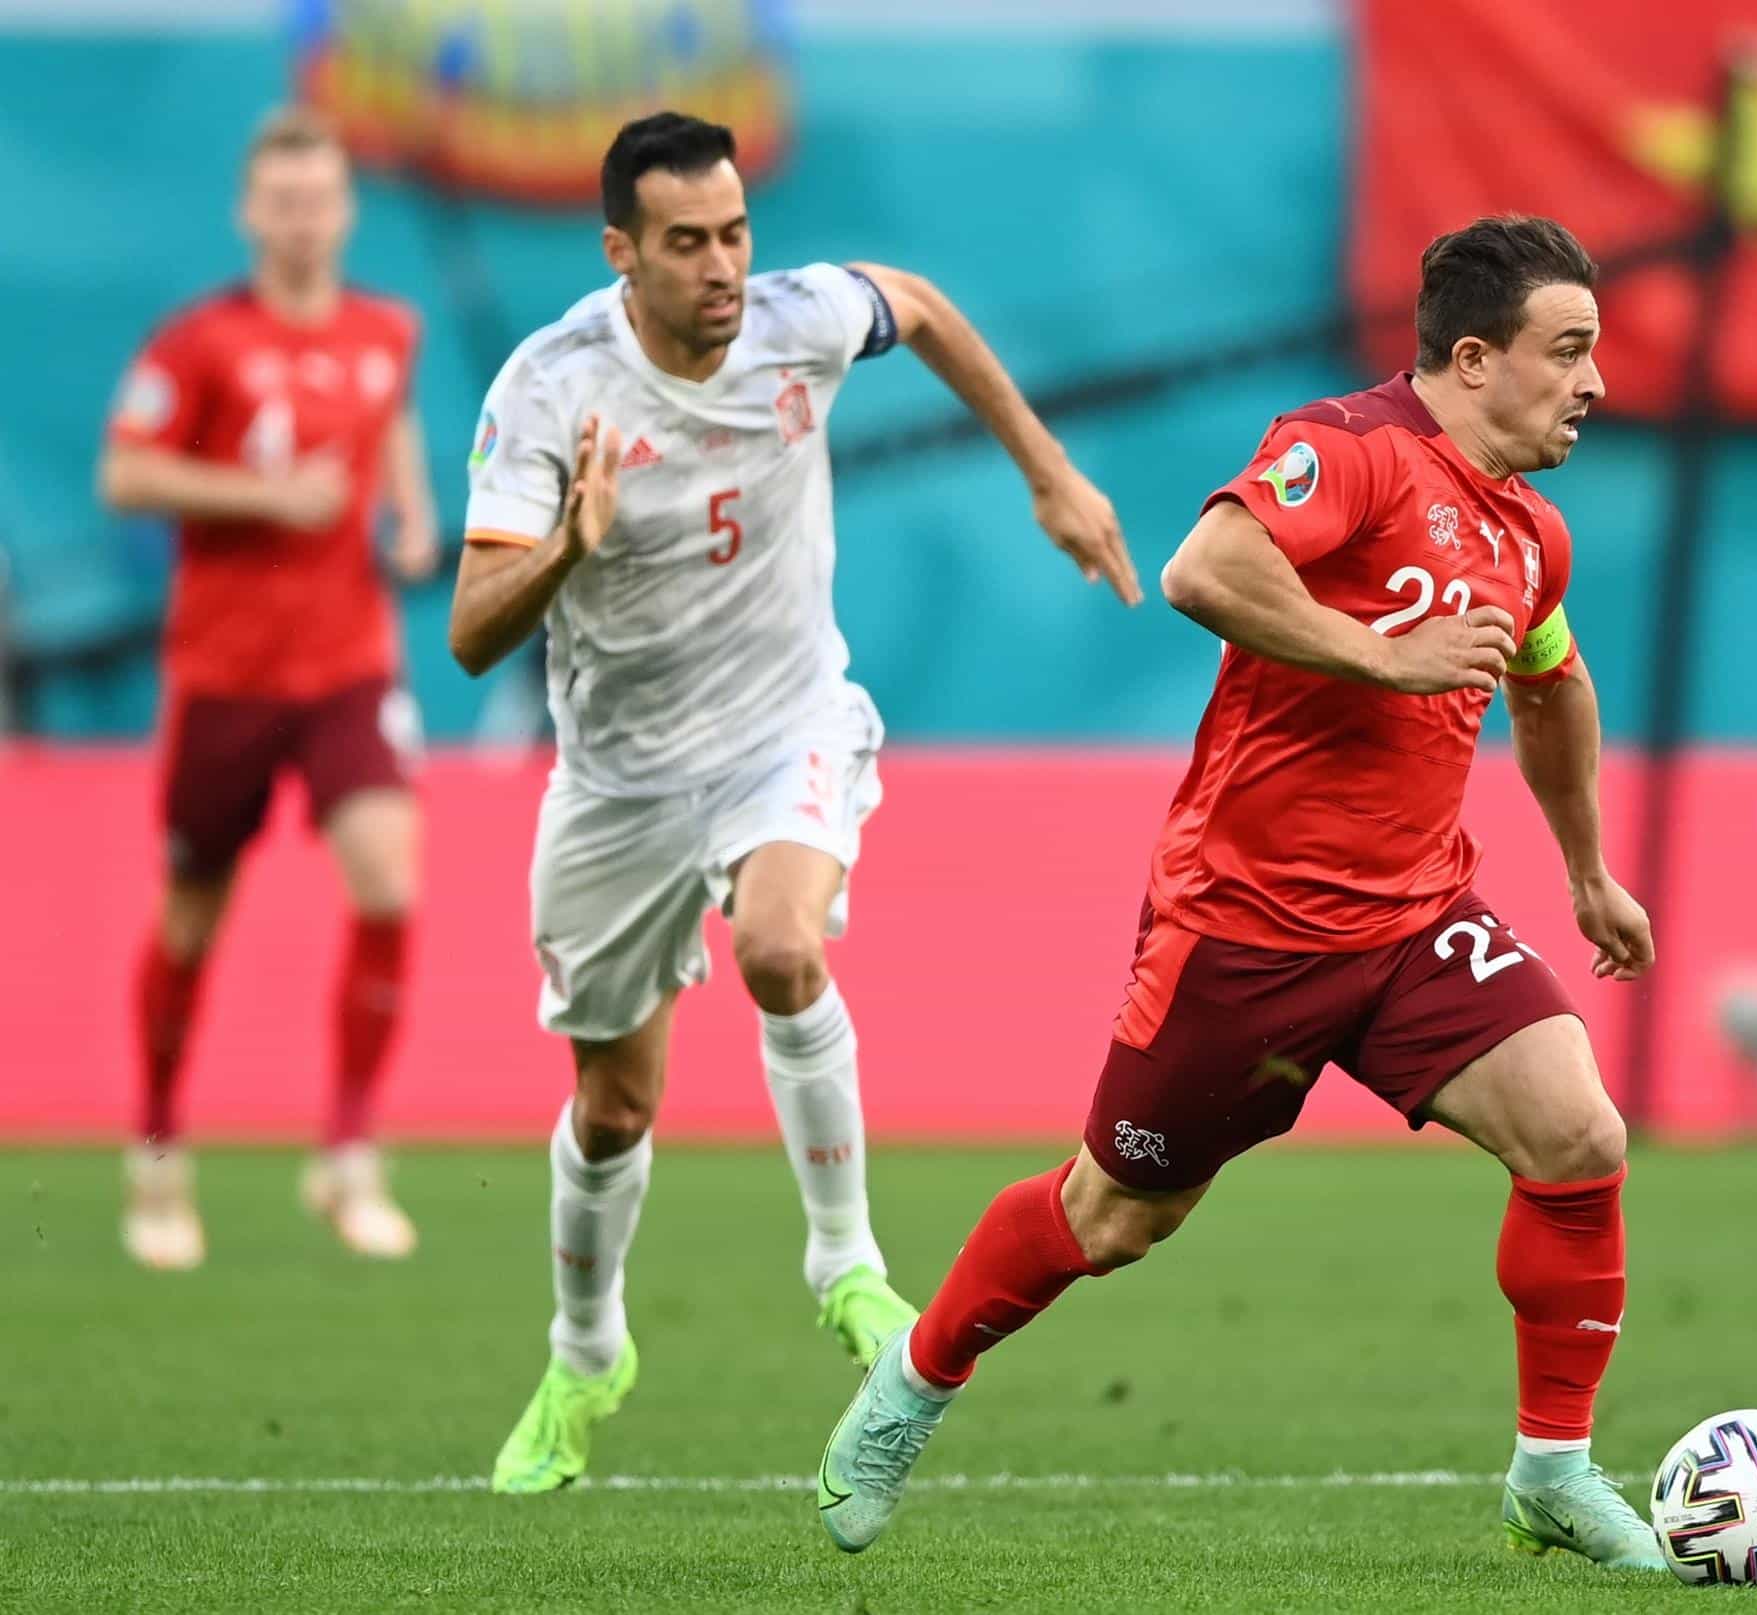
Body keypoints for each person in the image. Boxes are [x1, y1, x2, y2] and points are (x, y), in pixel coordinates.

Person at [817, 214, 1667, 1573]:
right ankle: (912, 1379)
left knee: (1578, 1133)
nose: (1595, 381)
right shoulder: (1349, 447)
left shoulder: (1530, 536)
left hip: (1415, 921)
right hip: (1247, 928)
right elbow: (1204, 568)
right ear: (1471, 356)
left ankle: (1552, 1470)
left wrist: (1586, 871)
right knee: (1115, 1215)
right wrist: (1382, 657)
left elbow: (1552, 688)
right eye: (1567, 350)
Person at [447, 111, 1139, 1495]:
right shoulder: (548, 389)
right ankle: (587, 1352)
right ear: (622, 252)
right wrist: (564, 553)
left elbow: (925, 307)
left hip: (784, 723)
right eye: (688, 242)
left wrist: (1050, 473)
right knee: (613, 1105)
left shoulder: (798, 320)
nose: (722, 267)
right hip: (620, 778)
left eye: (735, 233)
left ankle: (848, 1267)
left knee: (781, 944)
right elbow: (470, 627)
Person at [100, 108, 437, 1271]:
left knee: (390, 880)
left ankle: (347, 1152)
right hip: (226, 673)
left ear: (346, 209)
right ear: (252, 213)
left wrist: (415, 515)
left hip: (346, 664)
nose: (302, 219)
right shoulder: (195, 344)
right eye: (282, 200)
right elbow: (125, 470)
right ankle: (155, 1148)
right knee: (194, 913)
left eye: (320, 197)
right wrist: (263, 497)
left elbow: (386, 425)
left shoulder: (389, 328)